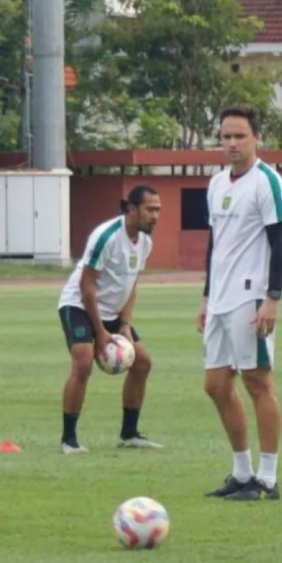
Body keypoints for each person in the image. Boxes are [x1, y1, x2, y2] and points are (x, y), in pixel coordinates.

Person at [198, 106, 282, 502]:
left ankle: (267, 480)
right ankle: (241, 473)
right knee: (216, 385)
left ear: (256, 138)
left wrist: (273, 299)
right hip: (220, 298)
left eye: (240, 136)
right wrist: (206, 296)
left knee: (257, 383)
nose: (232, 143)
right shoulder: (216, 183)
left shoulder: (267, 182)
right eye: (226, 137)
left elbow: (279, 242)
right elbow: (215, 244)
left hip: (252, 296)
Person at [56, 185, 162, 454]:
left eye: (158, 210)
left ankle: (129, 434)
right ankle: (69, 440)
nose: (155, 216)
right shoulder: (106, 236)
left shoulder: (145, 243)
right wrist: (100, 333)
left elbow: (132, 284)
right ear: (131, 209)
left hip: (113, 312)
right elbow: (86, 284)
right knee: (83, 362)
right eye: (150, 209)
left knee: (143, 363)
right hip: (79, 304)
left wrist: (124, 323)